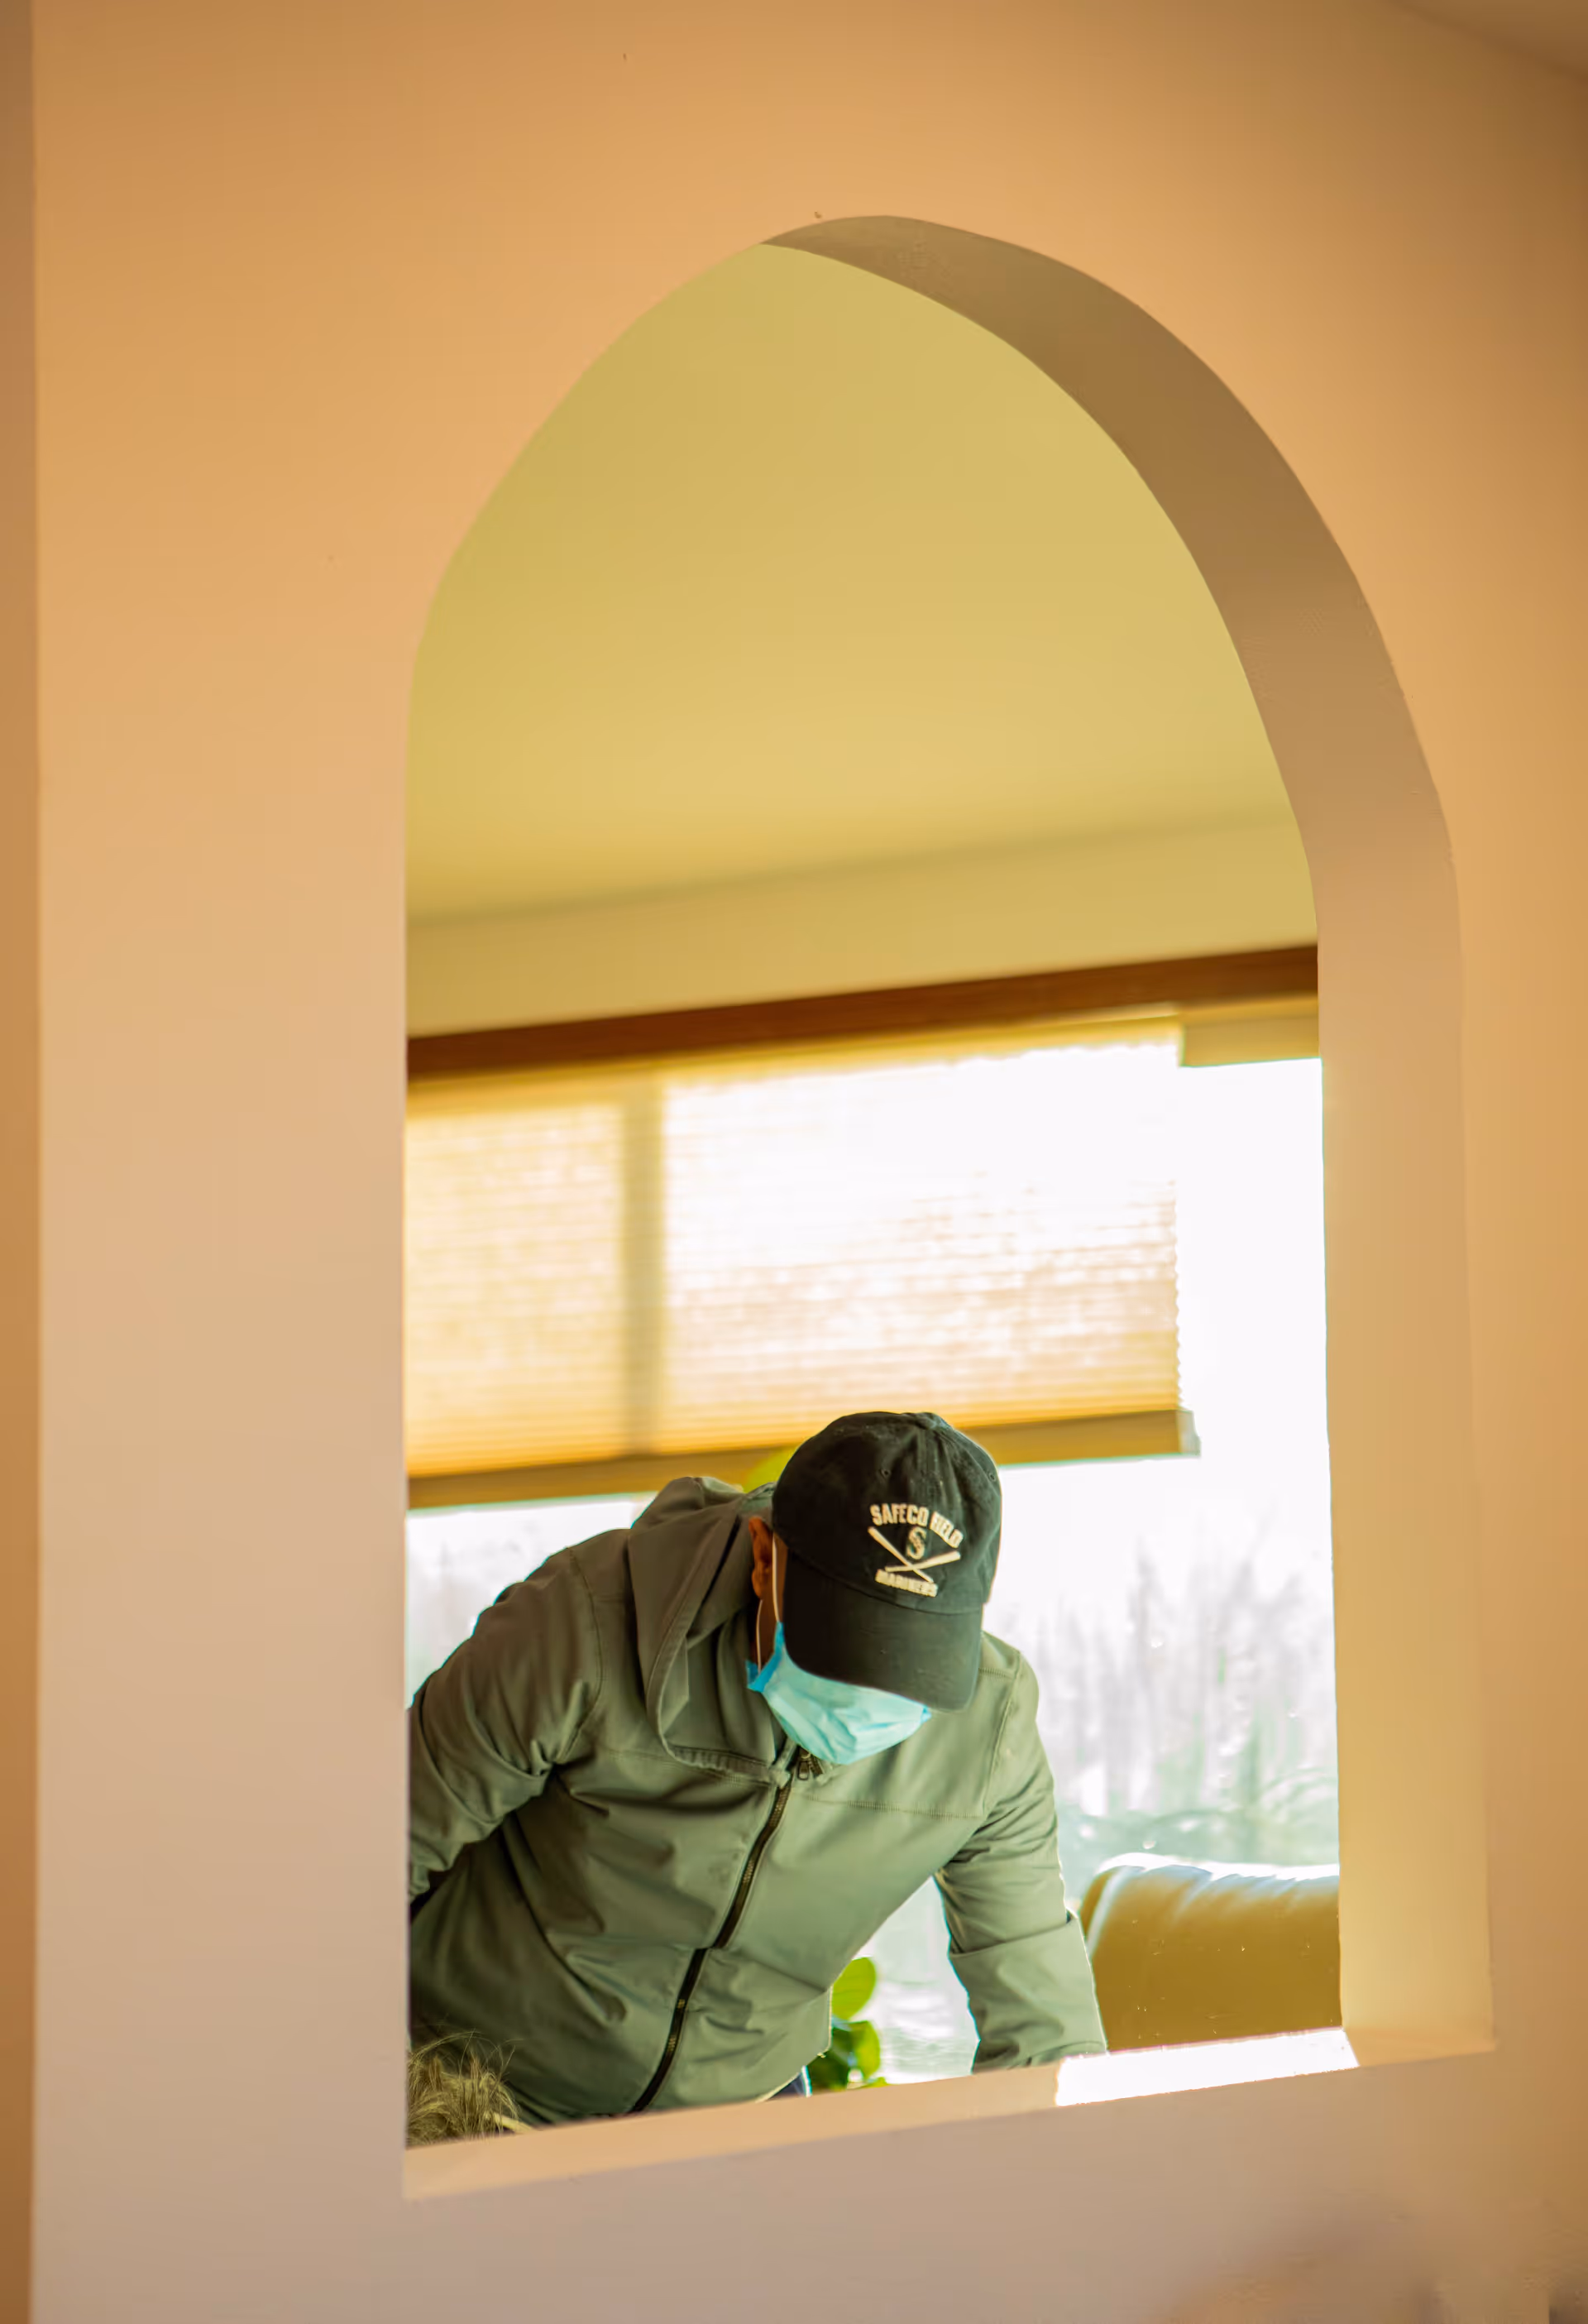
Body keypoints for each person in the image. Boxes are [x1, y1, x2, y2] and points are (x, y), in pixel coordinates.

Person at [409, 1410, 1105, 2126]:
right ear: (765, 1557)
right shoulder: (580, 1622)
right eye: (843, 1648)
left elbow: (1042, 2021)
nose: (870, 1691)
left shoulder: (991, 1728)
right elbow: (381, 1855)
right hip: (474, 2082)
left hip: (738, 2105)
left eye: (909, 1664)